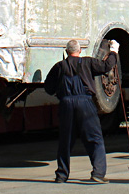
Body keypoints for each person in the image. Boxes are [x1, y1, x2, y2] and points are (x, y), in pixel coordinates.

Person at [43, 38, 119, 183]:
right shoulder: (88, 63)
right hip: (85, 103)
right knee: (95, 139)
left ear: (66, 52)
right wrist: (114, 51)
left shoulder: (59, 67)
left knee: (66, 141)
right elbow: (107, 66)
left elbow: (48, 88)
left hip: (66, 104)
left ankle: (62, 175)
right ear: (80, 51)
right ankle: (98, 173)